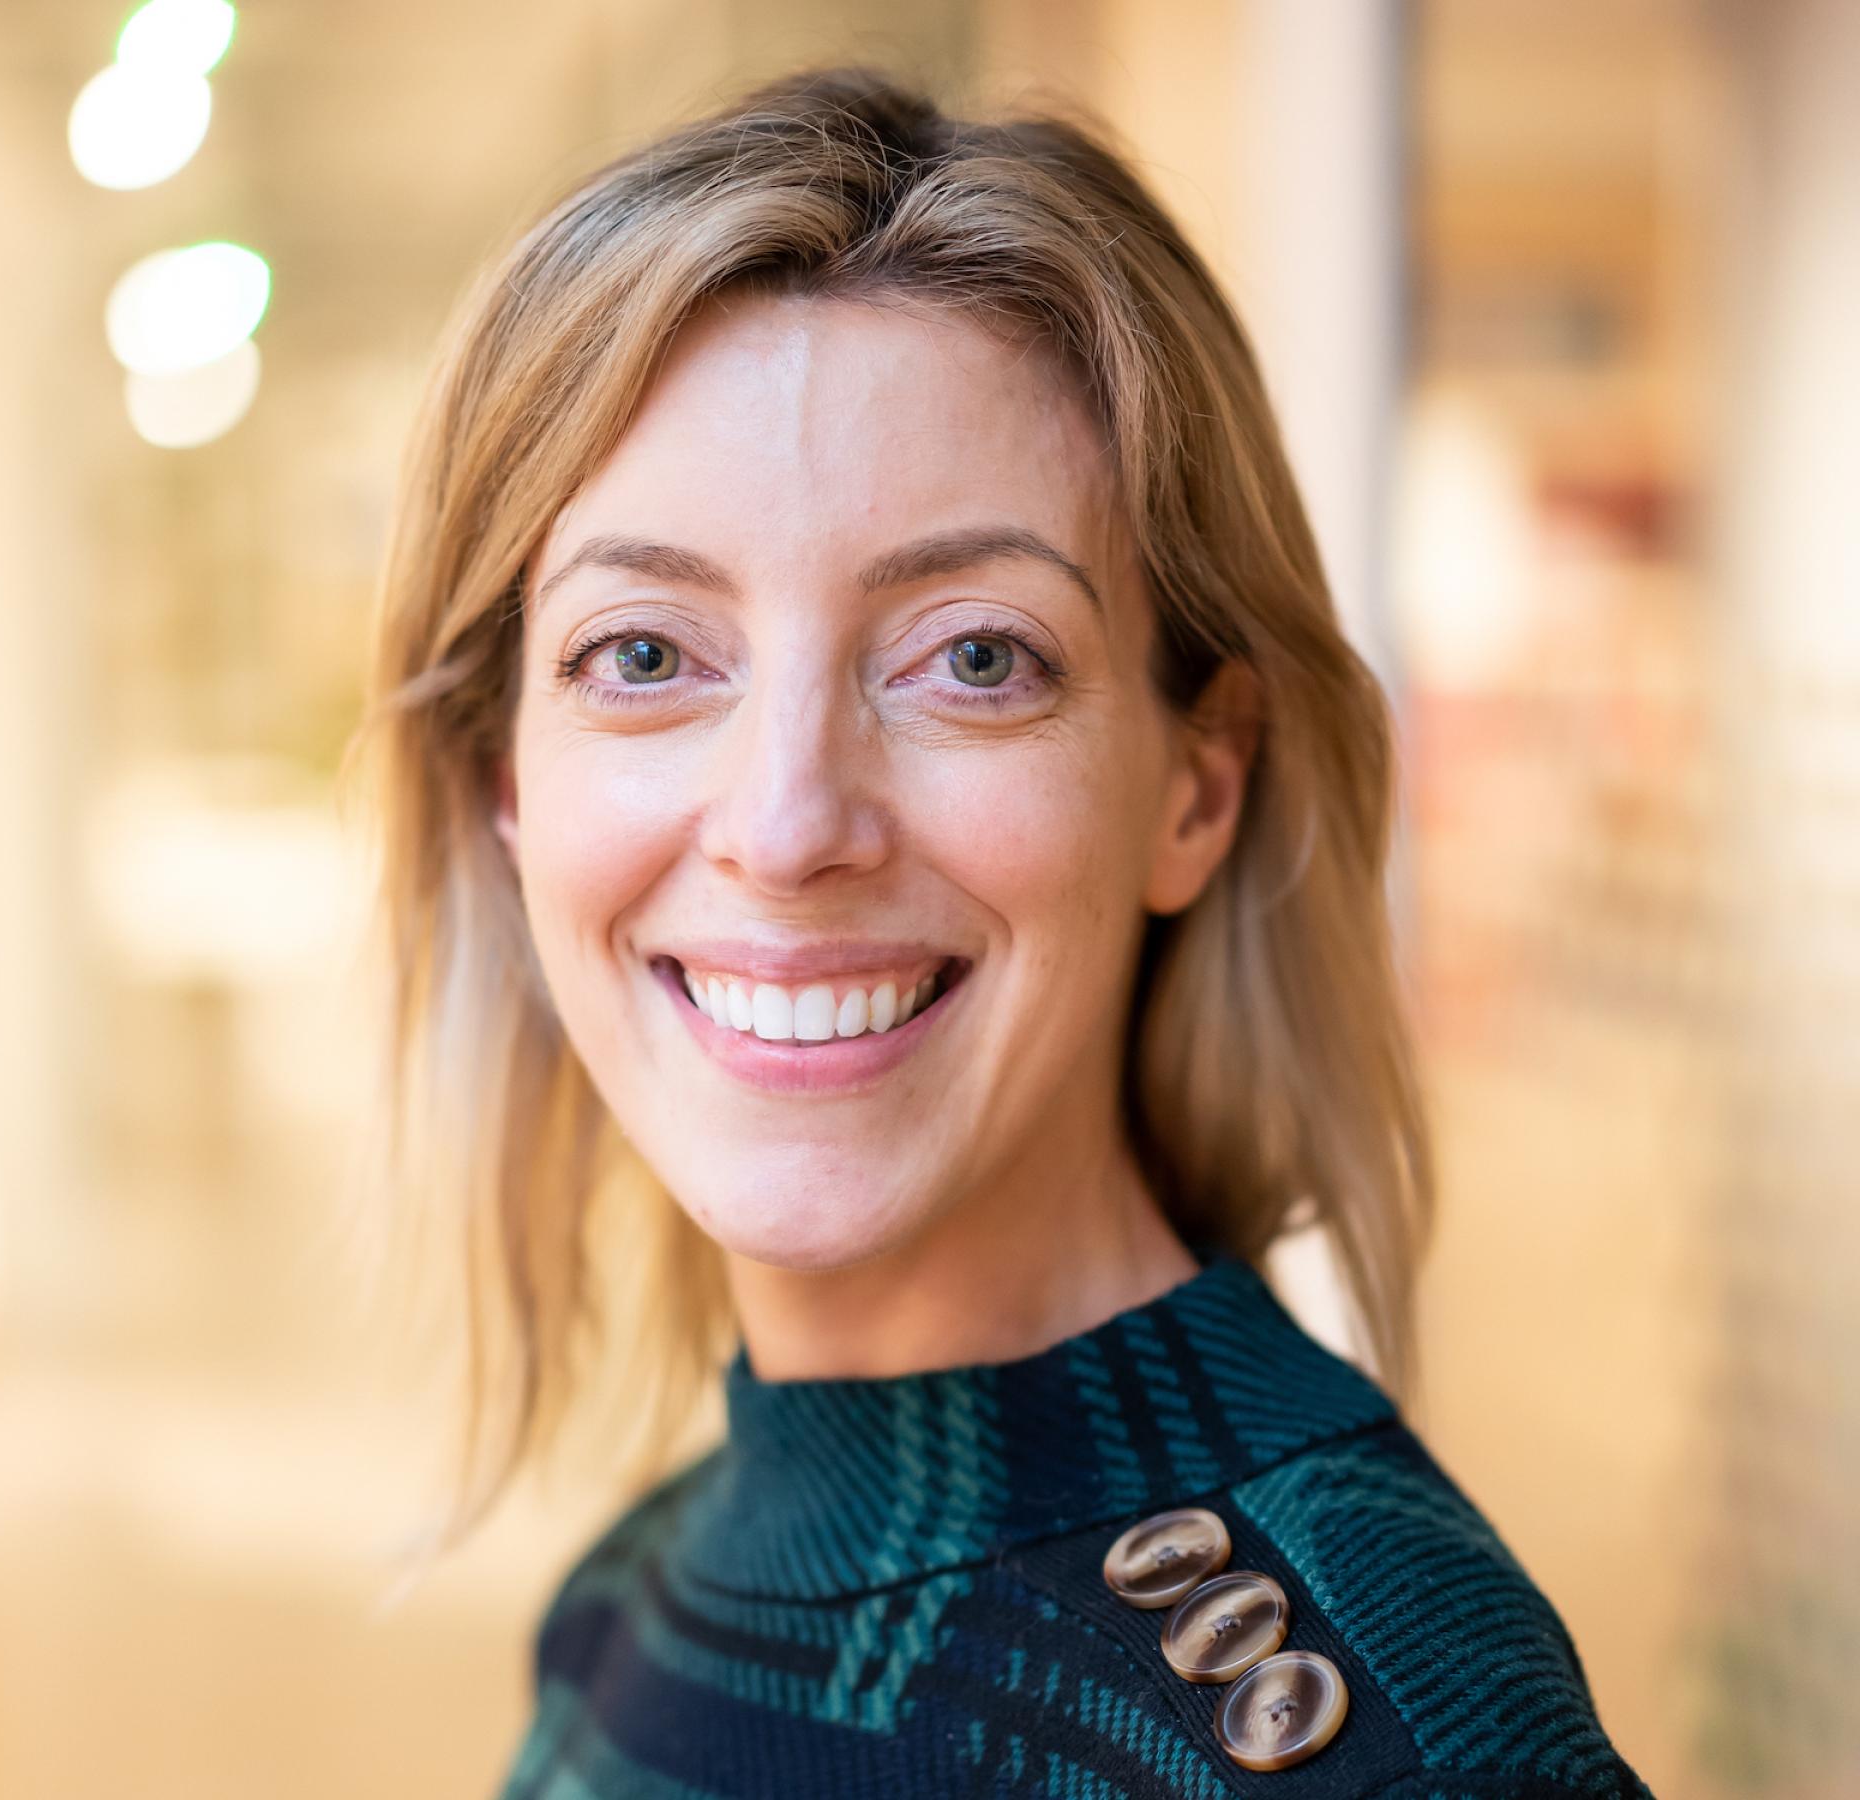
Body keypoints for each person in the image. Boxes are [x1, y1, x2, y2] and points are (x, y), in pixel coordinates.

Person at [350, 62, 1656, 1800]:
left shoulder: (1370, 1731)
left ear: (1197, 786)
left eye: (975, 657)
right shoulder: (638, 1593)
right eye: (646, 657)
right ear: (504, 784)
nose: (791, 825)